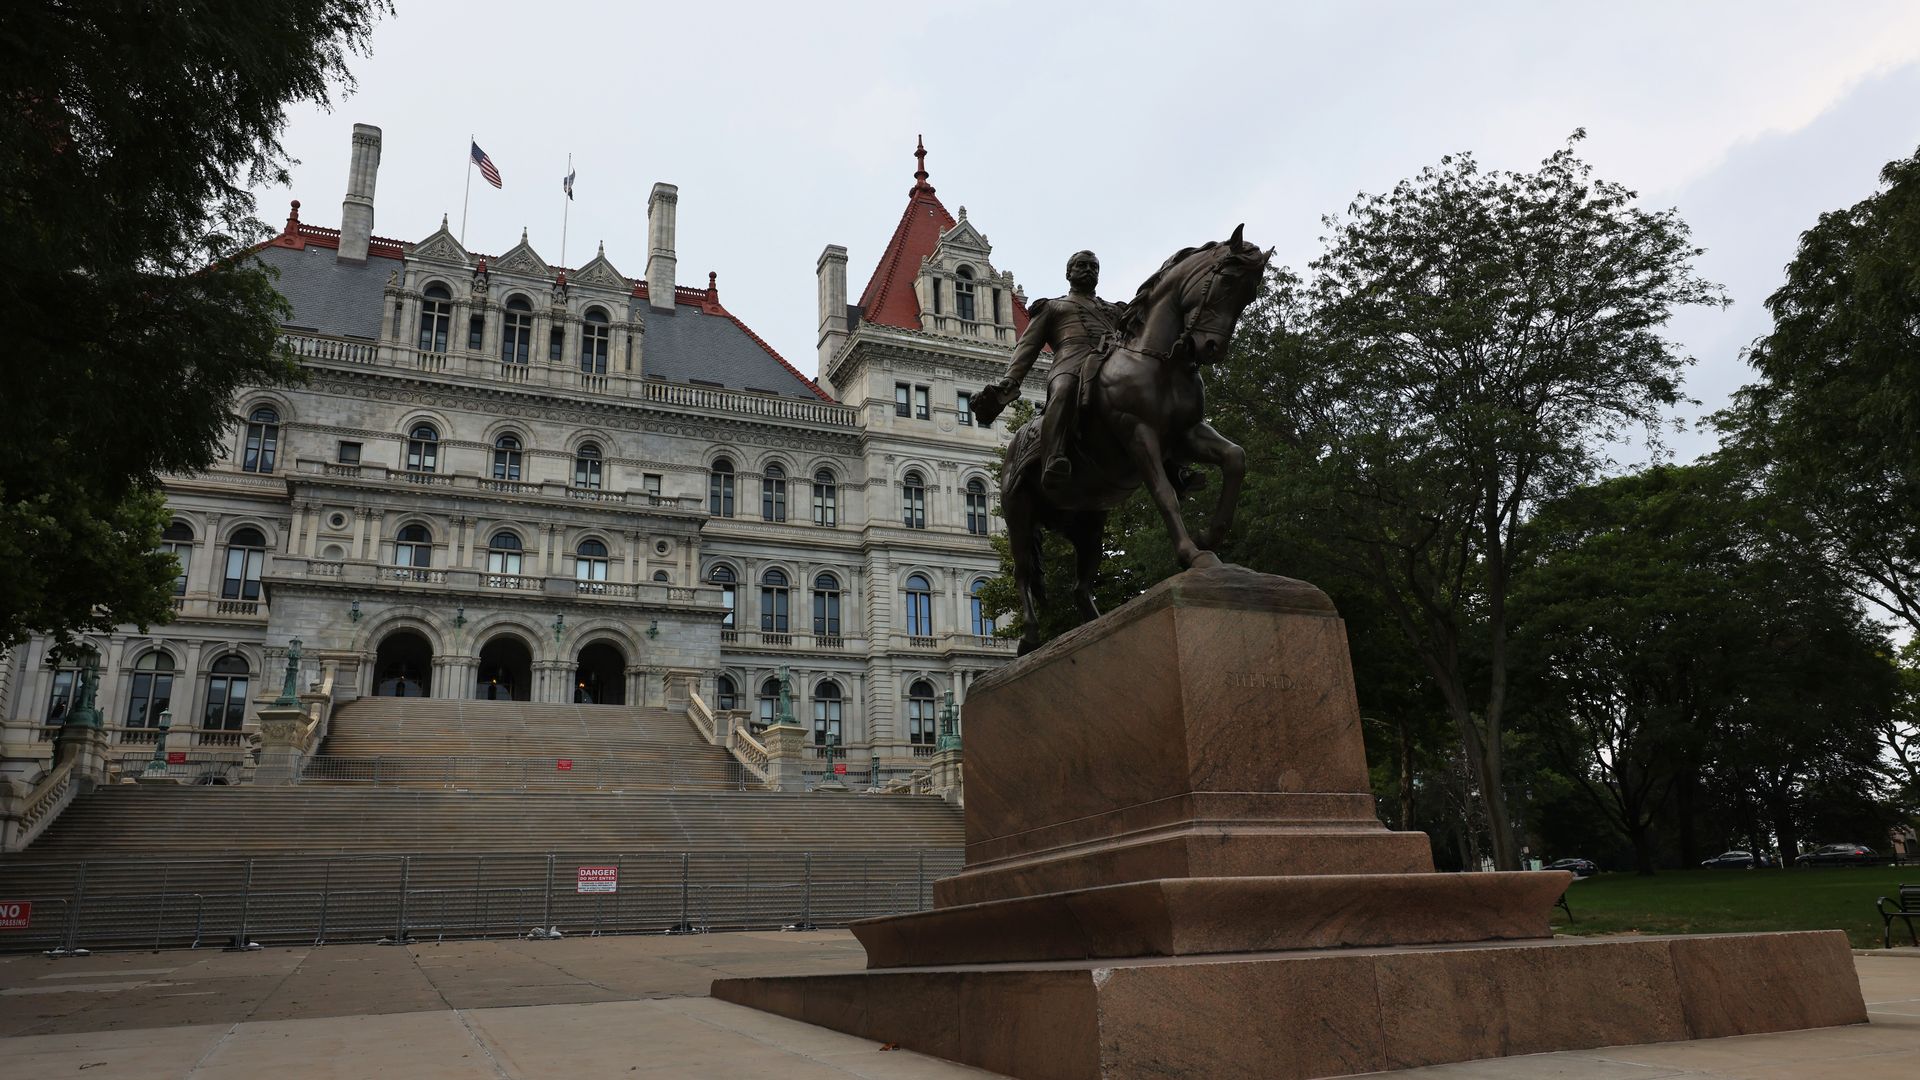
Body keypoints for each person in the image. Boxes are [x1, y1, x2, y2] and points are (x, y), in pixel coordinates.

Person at [973, 250, 1126, 486]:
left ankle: (1173, 464)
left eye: (1094, 267)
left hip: (1111, 363)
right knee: (1064, 390)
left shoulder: (1115, 310)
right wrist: (1012, 379)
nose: (1088, 270)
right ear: (1069, 273)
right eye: (1082, 265)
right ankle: (1054, 455)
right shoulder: (1053, 307)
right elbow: (1028, 346)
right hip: (1071, 362)